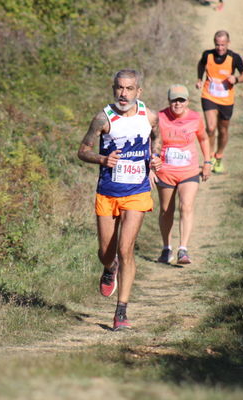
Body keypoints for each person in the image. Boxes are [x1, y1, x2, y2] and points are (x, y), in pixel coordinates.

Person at [77, 69, 162, 331]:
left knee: (126, 249)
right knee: (106, 252)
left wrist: (154, 158)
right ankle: (109, 267)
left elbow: (156, 138)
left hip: (136, 192)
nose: (123, 93)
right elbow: (83, 151)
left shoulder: (149, 116)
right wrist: (103, 159)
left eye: (129, 88)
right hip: (107, 191)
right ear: (114, 88)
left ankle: (121, 312)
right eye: (119, 88)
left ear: (139, 91)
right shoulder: (104, 118)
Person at [151, 85, 211, 265]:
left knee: (186, 206)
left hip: (189, 171)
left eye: (181, 100)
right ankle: (166, 248)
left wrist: (207, 162)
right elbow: (150, 142)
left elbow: (204, 138)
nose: (177, 104)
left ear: (187, 102)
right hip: (165, 171)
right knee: (166, 210)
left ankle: (183, 249)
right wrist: (152, 163)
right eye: (174, 100)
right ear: (168, 101)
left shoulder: (195, 118)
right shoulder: (159, 118)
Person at [195, 30, 243, 173]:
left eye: (223, 45)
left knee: (223, 130)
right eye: (218, 45)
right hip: (209, 96)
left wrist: (236, 79)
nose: (220, 48)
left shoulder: (234, 58)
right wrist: (200, 79)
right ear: (214, 43)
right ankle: (210, 157)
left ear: (228, 43)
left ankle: (219, 156)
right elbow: (201, 65)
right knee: (211, 128)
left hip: (226, 99)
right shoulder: (208, 55)